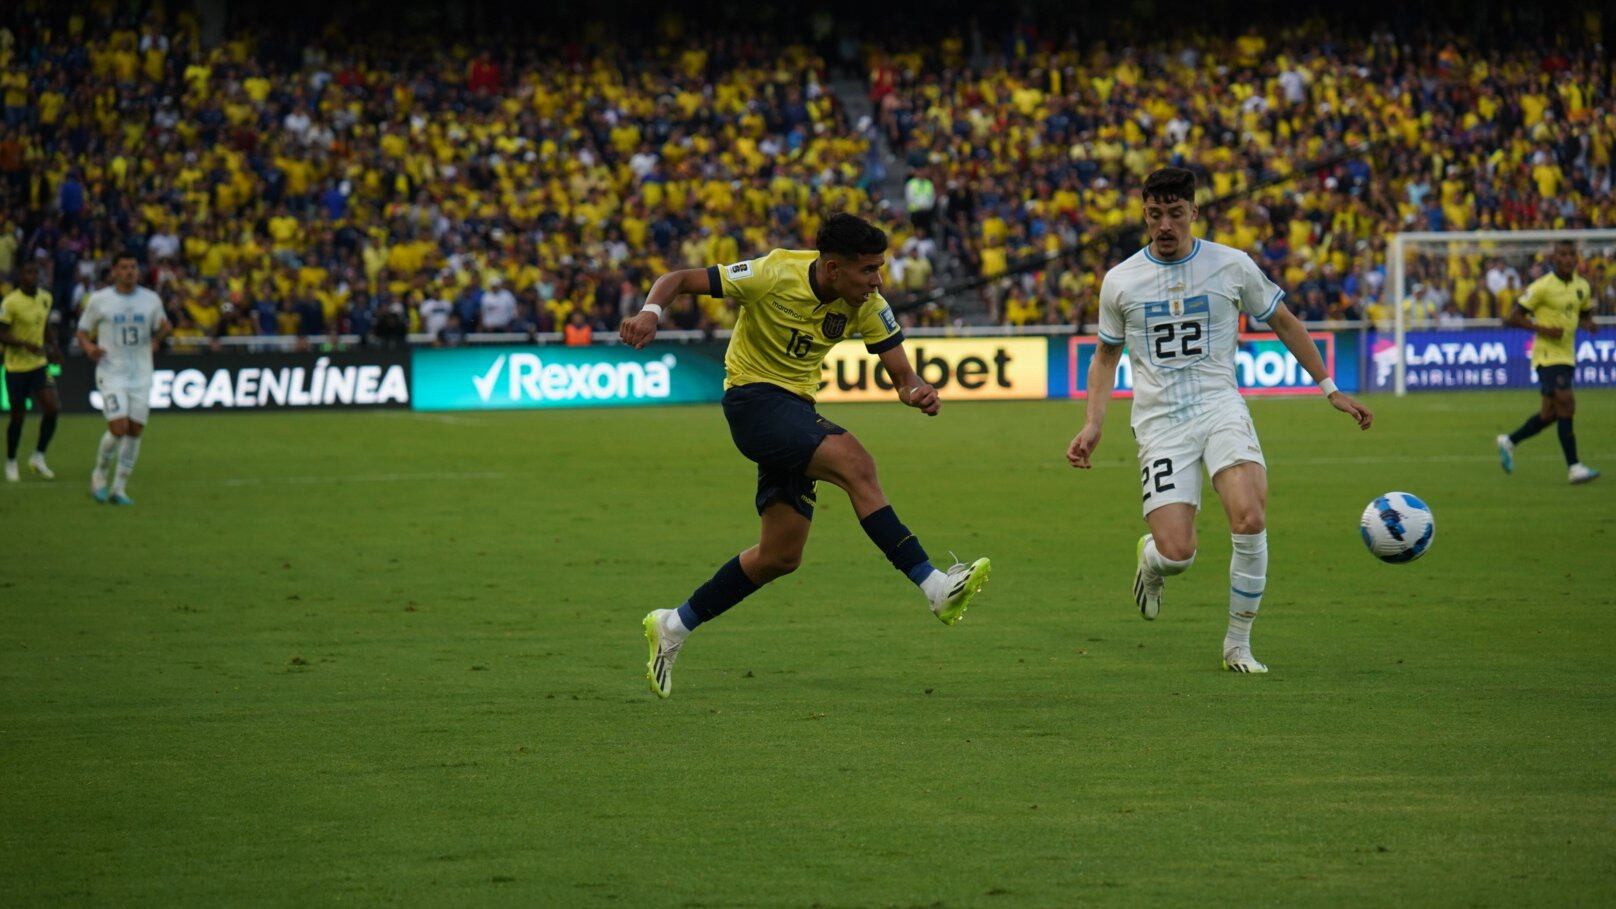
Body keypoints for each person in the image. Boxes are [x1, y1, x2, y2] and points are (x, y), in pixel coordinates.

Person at [619, 213, 992, 698]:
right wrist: (652, 311)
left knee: (779, 555)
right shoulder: (772, 273)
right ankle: (933, 585)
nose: (877, 280)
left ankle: (672, 625)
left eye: (880, 268)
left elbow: (903, 376)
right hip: (753, 401)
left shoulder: (868, 305)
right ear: (833, 268)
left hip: (794, 410)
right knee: (855, 463)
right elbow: (678, 280)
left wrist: (918, 390)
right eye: (867, 270)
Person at [1066, 168, 1373, 674]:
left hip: (1219, 406)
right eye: (1155, 213)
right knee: (1178, 552)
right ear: (1145, 214)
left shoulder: (1231, 265)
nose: (1165, 224)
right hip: (1160, 423)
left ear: (1193, 212)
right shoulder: (1120, 281)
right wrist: (1093, 423)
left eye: (1175, 213)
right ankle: (1153, 563)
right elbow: (1104, 356)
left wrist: (1330, 388)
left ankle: (1238, 644)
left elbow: (1284, 321)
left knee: (1249, 516)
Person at [1496, 241, 1599, 484]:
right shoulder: (1542, 287)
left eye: (1571, 254)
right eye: (1562, 254)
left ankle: (1509, 441)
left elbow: (1582, 313)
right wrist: (1543, 329)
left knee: (1550, 414)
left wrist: (1588, 324)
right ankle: (1574, 467)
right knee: (1567, 402)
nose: (1567, 258)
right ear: (1554, 258)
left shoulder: (1582, 286)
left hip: (1567, 355)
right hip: (1546, 356)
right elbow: (1513, 317)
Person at [74, 253, 170, 506]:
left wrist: (158, 339)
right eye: (124, 267)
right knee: (119, 428)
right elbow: (82, 331)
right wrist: (88, 347)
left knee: (135, 430)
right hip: (111, 371)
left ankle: (119, 489)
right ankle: (99, 476)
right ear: (115, 271)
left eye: (133, 267)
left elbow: (165, 324)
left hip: (141, 372)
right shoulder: (100, 300)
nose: (130, 272)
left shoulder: (150, 299)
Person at [0, 262, 61, 481]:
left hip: (39, 365)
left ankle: (38, 456)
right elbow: (2, 333)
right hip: (16, 367)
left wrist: (54, 348)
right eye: (28, 272)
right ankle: (11, 460)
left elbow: (45, 326)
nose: (33, 276)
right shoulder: (10, 302)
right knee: (18, 417)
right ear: (20, 276)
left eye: (36, 272)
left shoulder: (45, 297)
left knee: (52, 408)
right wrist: (24, 344)